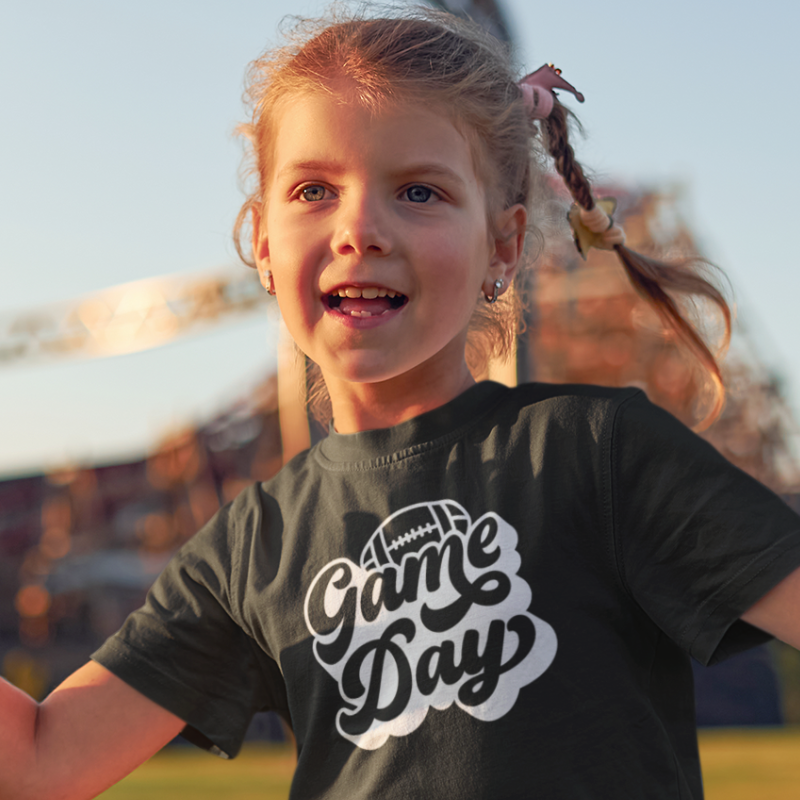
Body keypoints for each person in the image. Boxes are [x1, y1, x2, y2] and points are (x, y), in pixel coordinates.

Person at [3, 7, 800, 799]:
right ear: (265, 245)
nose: (361, 229)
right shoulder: (252, 546)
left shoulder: (597, 453)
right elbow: (40, 762)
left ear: (505, 245)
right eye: (315, 188)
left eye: (419, 191)